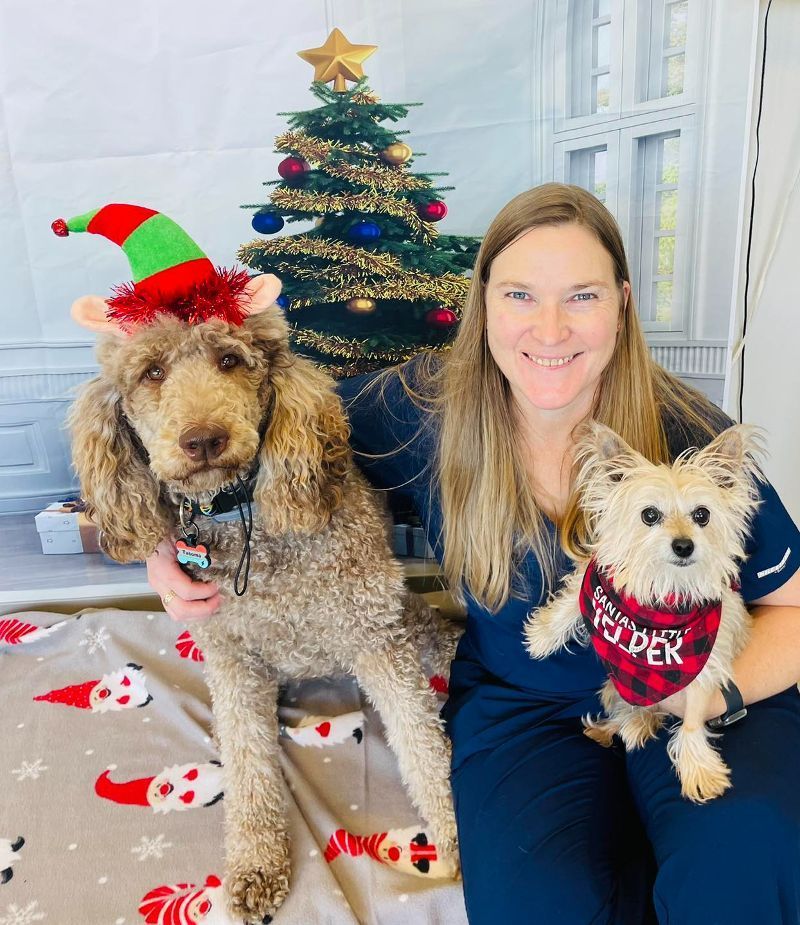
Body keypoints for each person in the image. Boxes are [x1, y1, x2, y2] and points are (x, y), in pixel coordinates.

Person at [147, 183, 800, 924]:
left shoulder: (685, 426)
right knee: (539, 904)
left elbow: (794, 604)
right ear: (483, 302)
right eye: (521, 294)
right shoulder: (418, 407)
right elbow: (239, 433)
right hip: (527, 709)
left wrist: (707, 694)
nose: (549, 329)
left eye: (582, 296)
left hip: (692, 684)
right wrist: (164, 546)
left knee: (746, 867)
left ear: (621, 303)